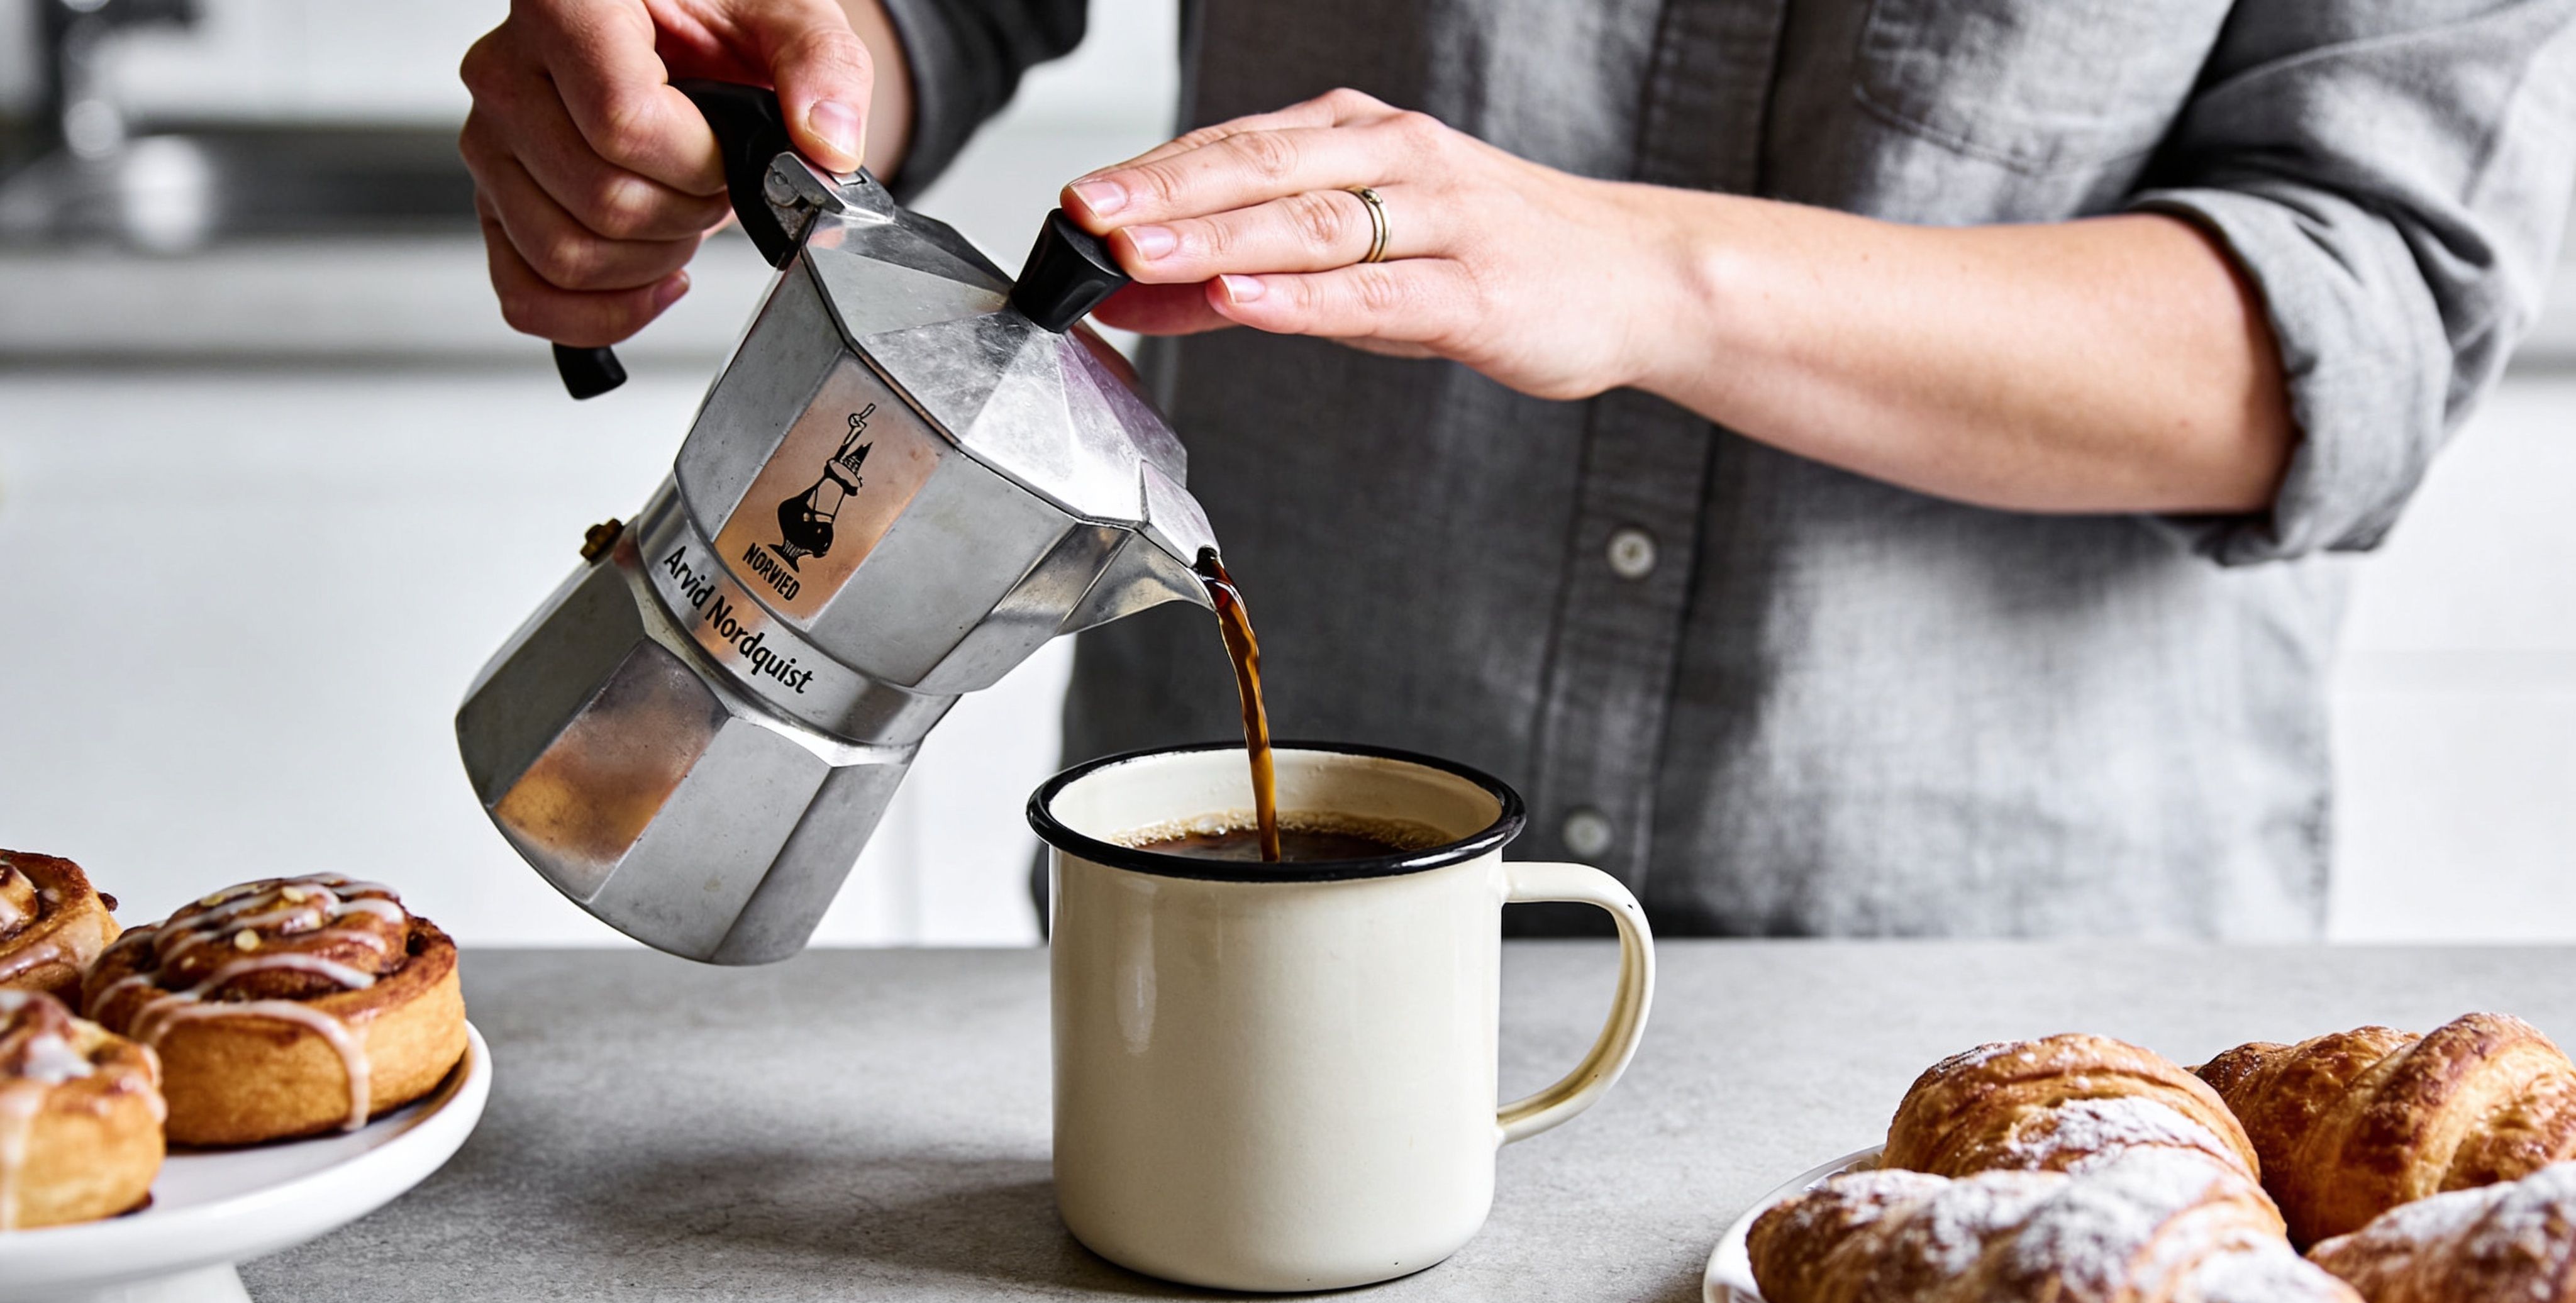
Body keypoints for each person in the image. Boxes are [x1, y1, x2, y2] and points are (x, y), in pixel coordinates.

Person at [460, 0, 2576, 936]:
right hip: (1208, 923)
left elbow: (2356, 326)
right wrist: (810, 32)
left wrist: (1646, 270)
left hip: (1979, 958)